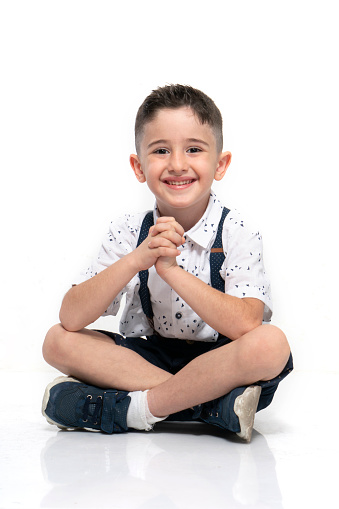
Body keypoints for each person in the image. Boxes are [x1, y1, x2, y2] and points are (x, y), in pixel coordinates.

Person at [42, 84, 293, 442]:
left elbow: (247, 322)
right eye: (160, 150)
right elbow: (71, 317)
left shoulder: (237, 231)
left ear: (220, 164)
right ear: (138, 166)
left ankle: (131, 410)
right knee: (57, 341)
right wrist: (135, 260)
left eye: (194, 149)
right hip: (145, 361)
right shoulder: (128, 231)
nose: (177, 164)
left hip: (219, 362)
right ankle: (210, 408)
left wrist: (171, 272)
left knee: (271, 345)